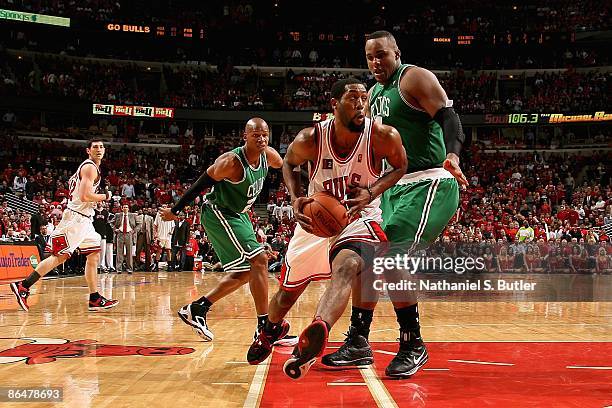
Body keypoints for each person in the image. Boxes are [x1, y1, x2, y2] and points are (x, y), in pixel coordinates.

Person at [324, 30, 469, 378]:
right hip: (392, 189)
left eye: (382, 55)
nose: (375, 62)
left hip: (431, 180)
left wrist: (452, 154)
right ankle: (359, 341)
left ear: (396, 53)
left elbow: (449, 117)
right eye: (370, 57)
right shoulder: (372, 95)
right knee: (368, 256)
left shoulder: (414, 78)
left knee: (390, 255)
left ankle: (413, 343)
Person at [246, 78, 407, 379]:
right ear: (334, 105)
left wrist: (372, 193)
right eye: (352, 98)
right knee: (285, 296)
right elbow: (288, 165)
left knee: (347, 266)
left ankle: (318, 330)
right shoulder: (311, 139)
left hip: (359, 215)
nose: (360, 104)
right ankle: (271, 330)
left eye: (364, 98)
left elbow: (401, 166)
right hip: (316, 220)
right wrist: (295, 199)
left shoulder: (382, 136)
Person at [160, 118, 288, 346]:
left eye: (265, 134)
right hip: (218, 212)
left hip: (239, 214)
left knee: (250, 271)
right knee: (259, 259)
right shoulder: (231, 162)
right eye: (255, 135)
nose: (261, 139)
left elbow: (286, 164)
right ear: (244, 136)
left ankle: (198, 307)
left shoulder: (269, 156)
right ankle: (265, 327)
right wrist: (175, 210)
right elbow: (200, 184)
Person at [9, 139, 118, 311]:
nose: (99, 149)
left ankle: (94, 298)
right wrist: (106, 196)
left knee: (94, 253)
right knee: (58, 257)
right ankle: (23, 286)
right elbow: (84, 196)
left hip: (85, 220)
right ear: (88, 151)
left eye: (102, 146)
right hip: (75, 220)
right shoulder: (89, 167)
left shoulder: (91, 168)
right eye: (95, 147)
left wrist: (94, 201)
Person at [114, 204, 136, 274]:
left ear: (128, 208)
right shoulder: (118, 215)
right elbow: (111, 222)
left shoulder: (133, 215)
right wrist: (115, 229)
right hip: (120, 234)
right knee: (119, 252)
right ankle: (119, 269)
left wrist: (134, 230)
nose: (125, 208)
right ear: (122, 208)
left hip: (128, 234)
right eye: (124, 207)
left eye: (126, 207)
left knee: (129, 252)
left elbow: (139, 224)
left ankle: (129, 268)